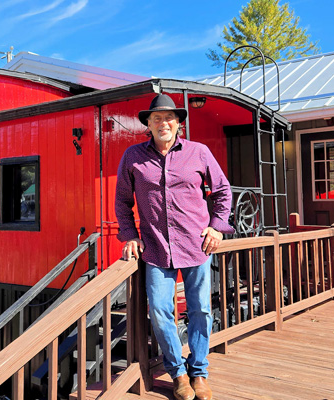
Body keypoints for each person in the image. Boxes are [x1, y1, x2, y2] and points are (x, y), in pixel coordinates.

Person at [115, 94, 234, 400]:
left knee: (201, 310)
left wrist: (218, 227)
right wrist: (130, 234)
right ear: (148, 125)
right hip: (155, 249)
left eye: (169, 118)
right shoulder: (132, 157)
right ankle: (178, 372)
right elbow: (123, 202)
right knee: (159, 311)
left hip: (196, 246)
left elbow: (222, 191)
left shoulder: (199, 152)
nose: (163, 123)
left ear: (179, 123)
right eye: (157, 118)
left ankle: (199, 372)